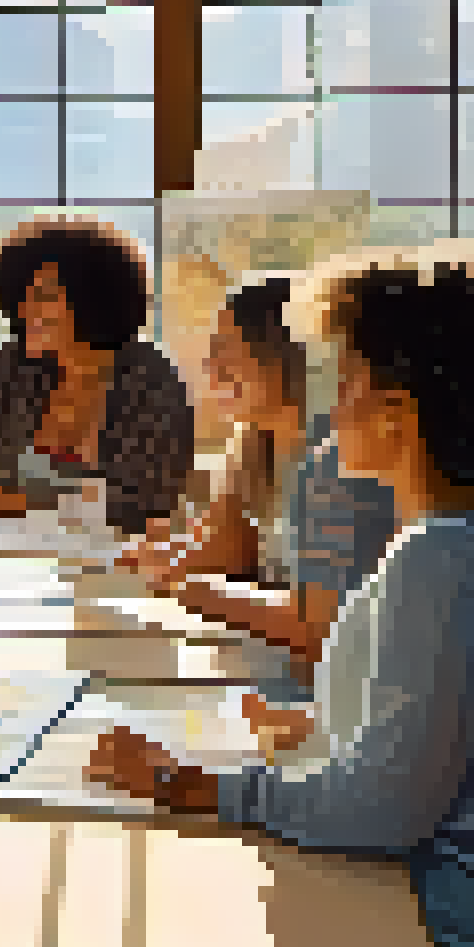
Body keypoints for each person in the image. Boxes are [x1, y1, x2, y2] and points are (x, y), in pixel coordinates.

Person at [87, 252, 474, 947]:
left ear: (399, 415)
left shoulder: (437, 560)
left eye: (344, 383)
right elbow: (467, 726)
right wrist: (320, 726)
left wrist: (188, 785)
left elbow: (380, 813)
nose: (329, 406)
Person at [115, 277, 403, 697]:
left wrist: (192, 587)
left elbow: (319, 627)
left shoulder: (341, 461)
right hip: (286, 673)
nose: (211, 370)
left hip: (348, 691)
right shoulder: (252, 445)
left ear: (283, 353)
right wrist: (169, 557)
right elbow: (226, 554)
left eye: (226, 352)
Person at [0, 218, 195, 536]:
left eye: (43, 296)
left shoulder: (151, 380)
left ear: (93, 298)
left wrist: (13, 501)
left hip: (111, 565)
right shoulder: (11, 365)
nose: (24, 311)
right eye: (21, 297)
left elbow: (142, 508)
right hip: (4, 556)